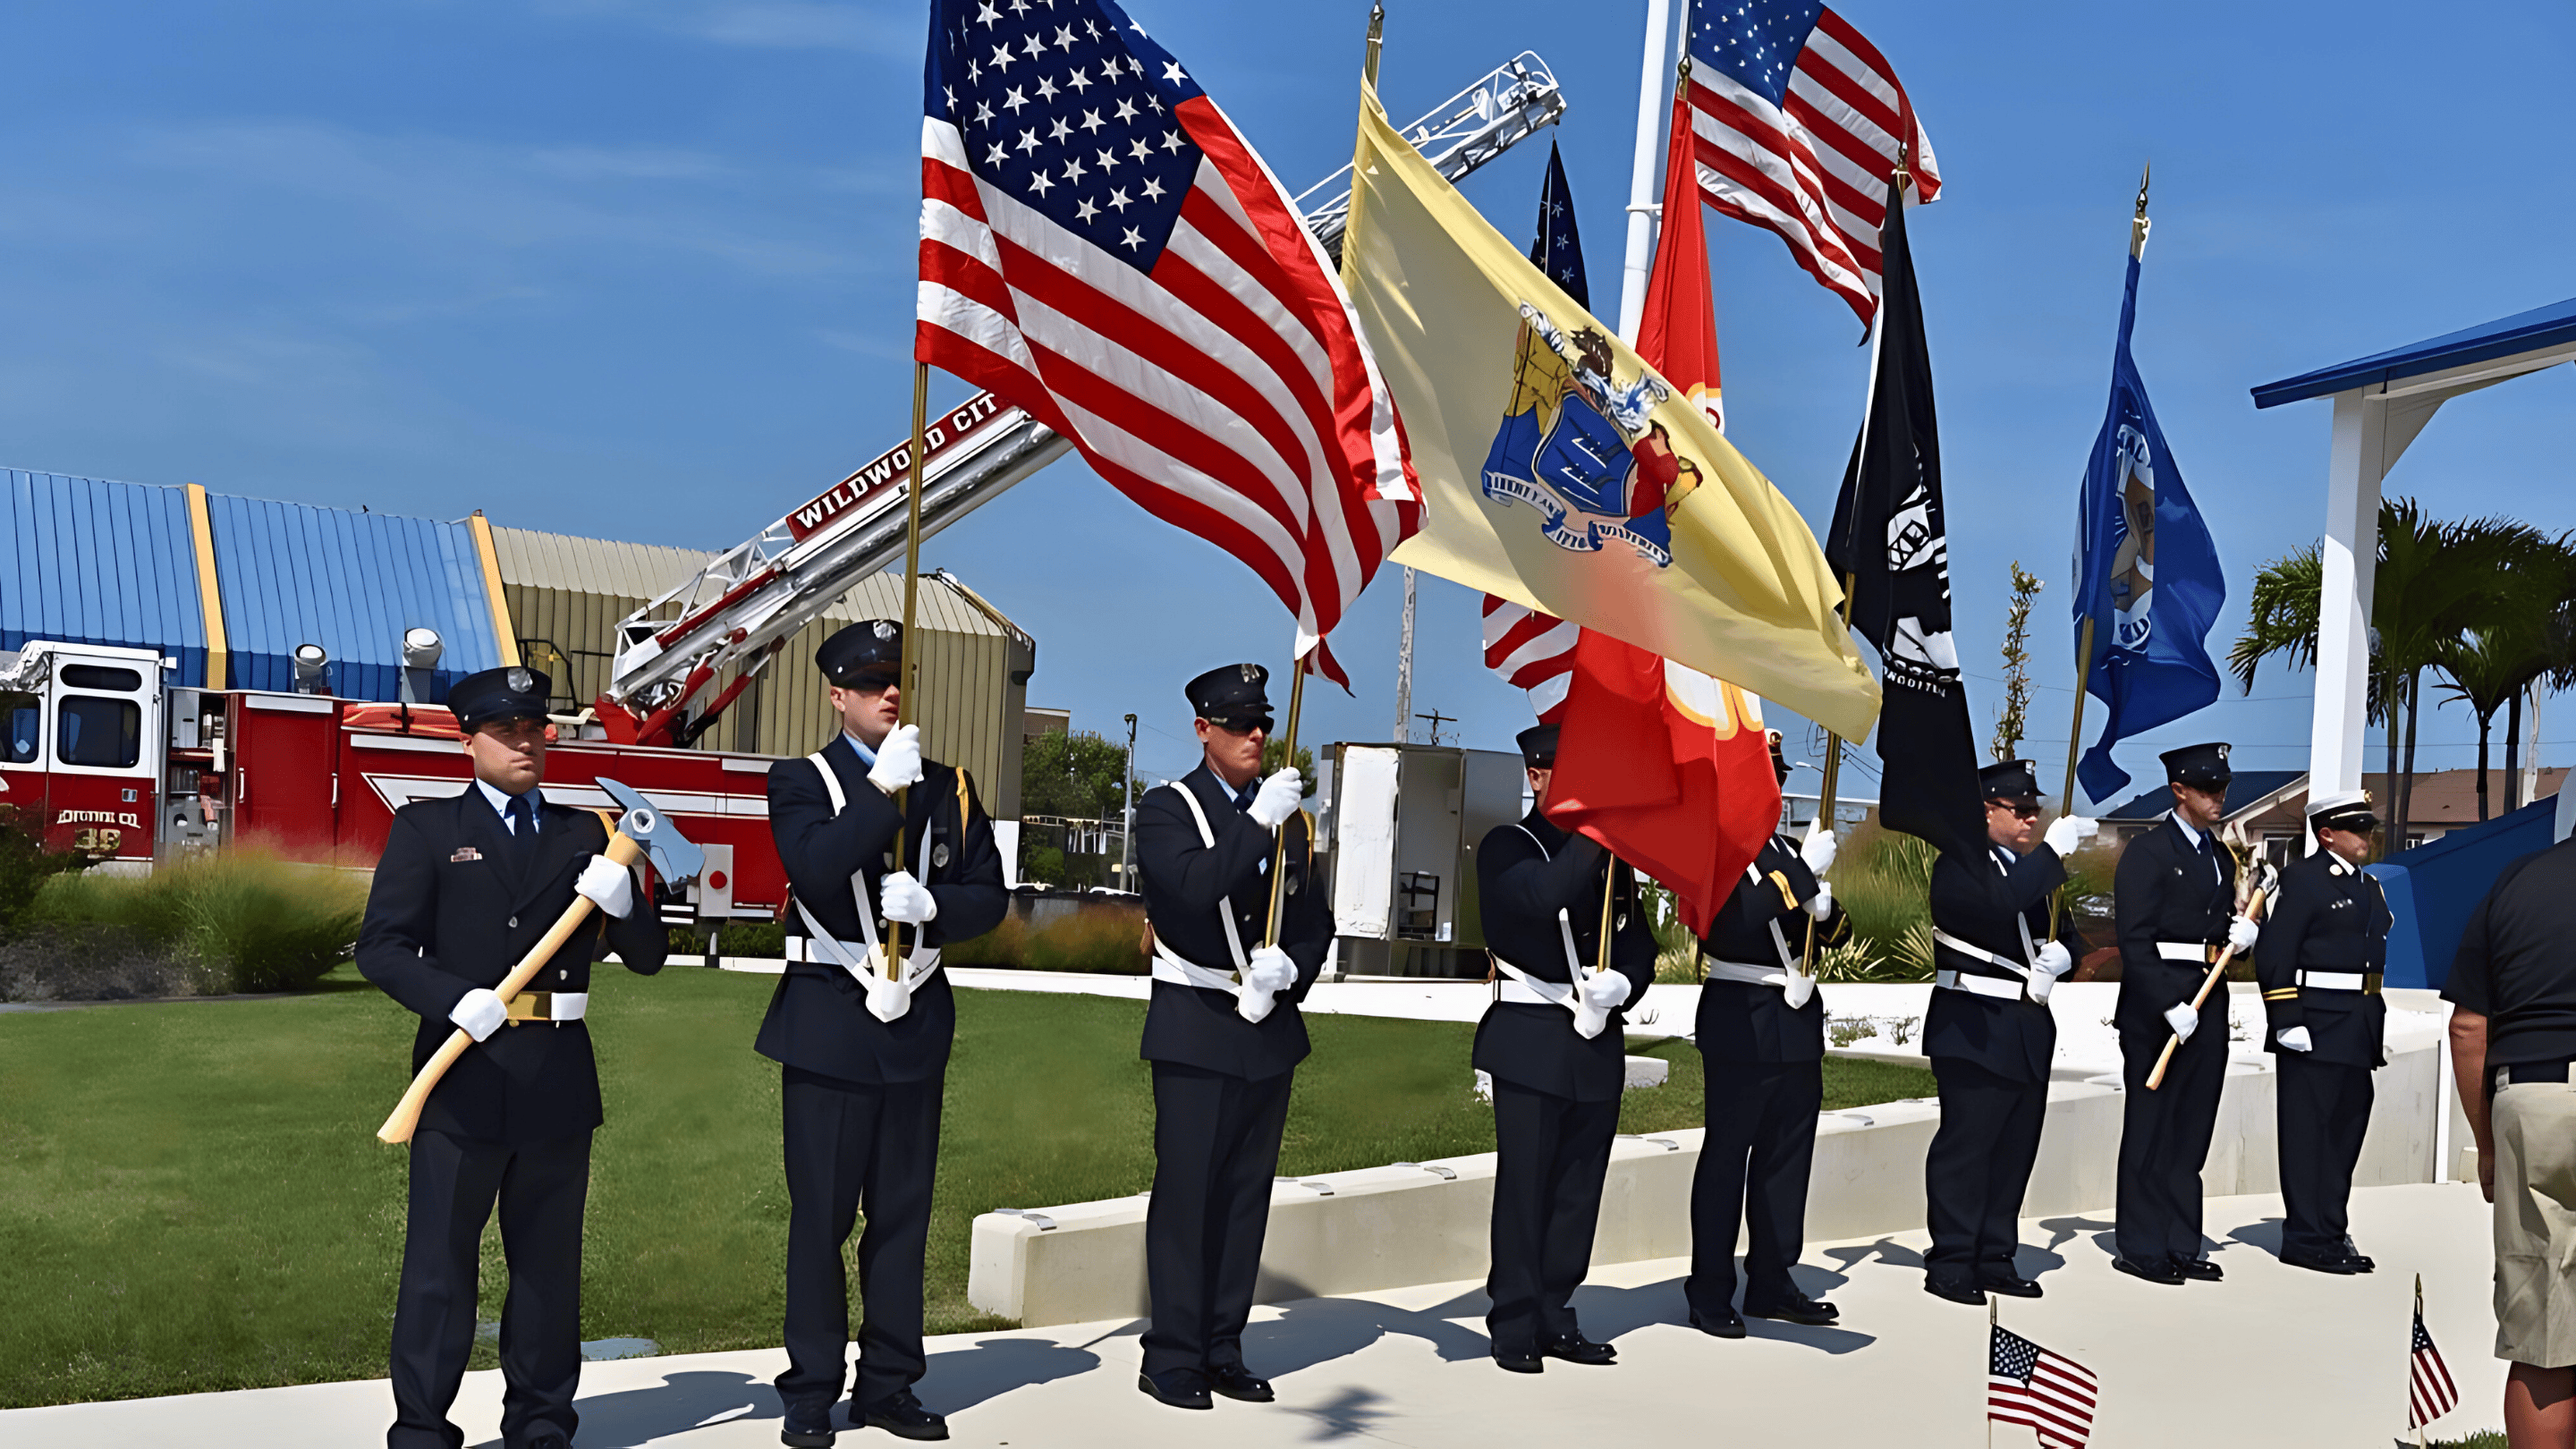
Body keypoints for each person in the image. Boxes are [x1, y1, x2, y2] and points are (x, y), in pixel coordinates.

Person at [358, 665, 670, 1449]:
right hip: (462, 1071)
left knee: (546, 1270)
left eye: (535, 729)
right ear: (470, 742)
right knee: (439, 1268)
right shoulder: (427, 829)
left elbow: (649, 956)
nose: (525, 743)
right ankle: (422, 1426)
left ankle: (540, 1423)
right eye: (506, 732)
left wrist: (626, 898)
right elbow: (382, 949)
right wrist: (451, 996)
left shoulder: (588, 836)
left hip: (556, 1077)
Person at [757, 620, 1006, 1446]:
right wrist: (876, 795)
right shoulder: (799, 781)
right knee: (820, 1221)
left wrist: (937, 908)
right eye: (868, 682)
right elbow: (818, 870)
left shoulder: (952, 787)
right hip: (829, 1023)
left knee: (901, 1221)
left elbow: (989, 898)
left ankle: (890, 1383)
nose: (887, 693)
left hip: (915, 1028)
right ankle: (810, 1387)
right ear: (836, 697)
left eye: (896, 679)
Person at [1131, 663, 1329, 1411]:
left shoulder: (1293, 822)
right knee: (1188, 1196)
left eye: (1263, 724)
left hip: (1266, 1027)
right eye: (1240, 723)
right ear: (1203, 729)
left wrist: (1290, 967)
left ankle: (1222, 1345)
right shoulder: (1167, 807)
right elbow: (1191, 887)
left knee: (1246, 1199)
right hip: (1196, 1025)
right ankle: (1172, 1354)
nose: (1255, 736)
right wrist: (1255, 825)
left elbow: (1317, 922)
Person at [1472, 723, 1657, 1372]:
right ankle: (1515, 1320)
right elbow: (1541, 895)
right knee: (1527, 1187)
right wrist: (1599, 837)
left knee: (1580, 1189)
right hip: (1530, 1039)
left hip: (1594, 1039)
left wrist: (1623, 983)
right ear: (1536, 777)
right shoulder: (1507, 845)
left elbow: (1640, 942)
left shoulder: (1609, 856)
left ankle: (1556, 1311)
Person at [1682, 732, 1850, 1336]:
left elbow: (1839, 932)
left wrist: (1825, 910)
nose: (1773, 787)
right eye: (1762, 775)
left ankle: (1774, 1279)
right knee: (1728, 1158)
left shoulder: (1782, 846)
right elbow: (1730, 923)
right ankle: (1709, 1290)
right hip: (1740, 1017)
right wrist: (1801, 878)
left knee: (1786, 1160)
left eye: (1776, 776)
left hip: (1795, 1018)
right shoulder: (1714, 847)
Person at [1919, 758, 2094, 1306]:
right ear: (1986, 810)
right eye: (2020, 810)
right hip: (1972, 1024)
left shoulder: (2031, 874)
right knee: (1968, 1149)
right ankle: (1951, 1261)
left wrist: (2066, 954)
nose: (2031, 821)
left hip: (2022, 1026)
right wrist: (2051, 855)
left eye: (2035, 812)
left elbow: (2067, 932)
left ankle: (1994, 1254)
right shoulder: (1960, 863)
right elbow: (1997, 903)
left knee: (2015, 1150)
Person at [2444, 818, 2576, 1448]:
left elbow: (2468, 1029)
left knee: (2544, 1337)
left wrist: (2490, 1148)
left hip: (2532, 1100)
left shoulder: (2517, 881)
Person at [2111, 741, 2261, 1285]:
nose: (2219, 797)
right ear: (2179, 791)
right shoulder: (2148, 853)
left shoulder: (2220, 857)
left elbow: (2215, 935)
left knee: (2192, 1131)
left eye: (2222, 788)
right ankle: (2141, 1244)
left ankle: (2181, 1241)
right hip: (2161, 1008)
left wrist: (2241, 938)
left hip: (2207, 1002)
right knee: (2151, 1129)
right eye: (2208, 789)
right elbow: (2135, 938)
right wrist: (2166, 1002)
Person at [2256, 788, 2391, 1275]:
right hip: (2313, 1023)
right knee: (2308, 1135)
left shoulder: (2369, 886)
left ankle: (2332, 1230)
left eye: (2369, 828)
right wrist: (2286, 1019)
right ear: (2326, 833)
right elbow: (2275, 955)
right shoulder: (2303, 881)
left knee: (2345, 1134)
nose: (2366, 838)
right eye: (2357, 829)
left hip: (2356, 1026)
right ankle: (2305, 1237)